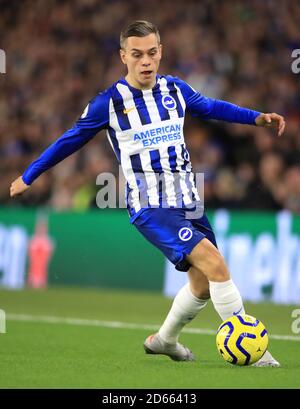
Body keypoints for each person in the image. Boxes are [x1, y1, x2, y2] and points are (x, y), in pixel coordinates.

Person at [10, 20, 285, 366]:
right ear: (123, 56)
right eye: (137, 54)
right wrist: (29, 176)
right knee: (216, 264)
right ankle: (253, 350)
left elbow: (213, 108)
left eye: (152, 53)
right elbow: (70, 140)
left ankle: (165, 341)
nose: (146, 61)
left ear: (161, 53)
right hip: (151, 206)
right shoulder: (108, 103)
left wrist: (257, 117)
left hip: (188, 199)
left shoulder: (175, 89)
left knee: (201, 283)